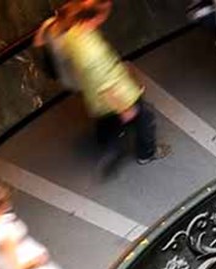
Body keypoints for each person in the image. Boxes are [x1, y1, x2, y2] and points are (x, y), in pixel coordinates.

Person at [58, 0, 170, 175]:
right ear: (96, 16)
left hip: (94, 97)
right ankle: (147, 153)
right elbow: (106, 86)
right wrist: (124, 108)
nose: (107, 14)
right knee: (145, 119)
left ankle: (104, 140)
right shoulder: (92, 53)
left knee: (106, 121)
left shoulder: (73, 33)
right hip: (119, 95)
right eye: (105, 11)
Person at [36, 1, 82, 91]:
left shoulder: (50, 24)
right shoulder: (72, 37)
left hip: (55, 61)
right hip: (58, 63)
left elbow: (39, 42)